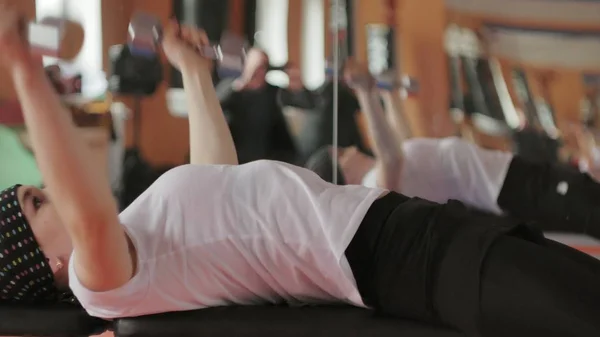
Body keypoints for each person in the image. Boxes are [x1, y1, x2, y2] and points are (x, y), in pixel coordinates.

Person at [1, 8, 600, 337]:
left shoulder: (141, 236)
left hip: (396, 230)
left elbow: (219, 176)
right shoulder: (98, 283)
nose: (51, 191)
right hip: (389, 258)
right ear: (47, 261)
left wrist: (193, 70)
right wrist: (27, 73)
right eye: (37, 203)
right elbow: (88, 214)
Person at [306, 62, 600, 239]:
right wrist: (366, 93)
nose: (351, 147)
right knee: (586, 203)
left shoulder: (389, 165)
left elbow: (403, 140)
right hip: (506, 189)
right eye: (342, 151)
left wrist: (389, 93)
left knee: (586, 192)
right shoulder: (374, 187)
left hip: (508, 175)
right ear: (342, 171)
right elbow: (392, 155)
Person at [216, 48, 298, 164]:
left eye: (264, 66)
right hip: (235, 155)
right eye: (257, 66)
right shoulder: (231, 88)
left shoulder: (273, 92)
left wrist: (296, 84)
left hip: (266, 158)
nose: (260, 71)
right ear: (247, 64)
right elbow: (215, 107)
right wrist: (243, 83)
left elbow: (305, 102)